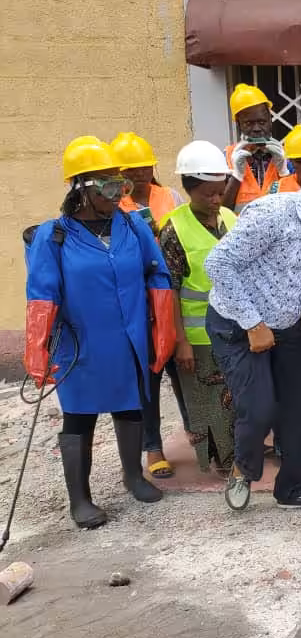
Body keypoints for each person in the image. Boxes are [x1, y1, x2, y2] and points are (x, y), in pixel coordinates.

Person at [25, 138, 175, 528]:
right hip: (80, 345)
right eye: (108, 187)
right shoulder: (53, 236)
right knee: (79, 417)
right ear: (80, 189)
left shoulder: (132, 226)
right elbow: (41, 293)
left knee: (130, 406)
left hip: (128, 340)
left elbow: (157, 272)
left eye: (120, 186)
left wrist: (162, 329)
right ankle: (80, 499)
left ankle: (132, 477)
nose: (117, 194)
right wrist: (37, 351)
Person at [204, 160, 301, 511]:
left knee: (297, 411)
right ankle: (243, 469)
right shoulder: (271, 214)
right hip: (238, 326)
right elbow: (217, 264)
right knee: (259, 409)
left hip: (286, 326)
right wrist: (253, 324)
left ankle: (293, 489)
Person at [108, 131, 192, 479]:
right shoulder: (112, 206)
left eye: (143, 168)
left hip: (173, 294)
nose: (138, 176)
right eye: (130, 170)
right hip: (139, 302)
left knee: (185, 371)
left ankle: (198, 432)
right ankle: (152, 445)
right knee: (149, 377)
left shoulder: (168, 195)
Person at [157, 140, 239, 477]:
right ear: (189, 189)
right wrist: (181, 341)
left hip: (234, 328)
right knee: (207, 398)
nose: (216, 200)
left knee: (234, 393)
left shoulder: (230, 219)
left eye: (220, 192)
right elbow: (170, 290)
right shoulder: (173, 229)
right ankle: (220, 457)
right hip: (197, 333)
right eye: (208, 194)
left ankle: (236, 449)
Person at [223, 83, 291, 213]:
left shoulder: (286, 155)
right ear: (239, 124)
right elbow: (220, 211)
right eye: (249, 123)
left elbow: (299, 206)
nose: (257, 129)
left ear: (270, 121)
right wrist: (237, 176)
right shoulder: (226, 157)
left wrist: (284, 172)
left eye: (262, 122)